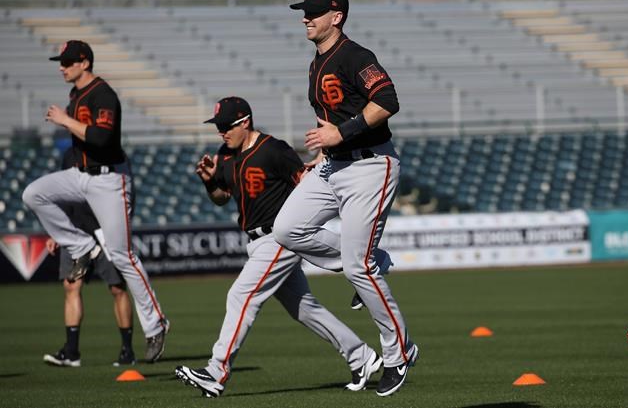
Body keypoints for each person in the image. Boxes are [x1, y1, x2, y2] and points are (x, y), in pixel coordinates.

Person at [174, 96, 382, 398]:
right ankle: (361, 356)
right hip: (255, 242)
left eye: (225, 126)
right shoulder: (225, 154)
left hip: (279, 238)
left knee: (241, 295)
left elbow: (305, 185)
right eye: (217, 127)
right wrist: (209, 183)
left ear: (245, 122)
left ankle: (216, 371)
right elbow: (221, 196)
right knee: (304, 309)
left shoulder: (273, 150)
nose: (221, 132)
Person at [273, 0, 418, 397]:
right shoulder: (316, 62)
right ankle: (371, 259)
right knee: (287, 228)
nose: (306, 17)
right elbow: (329, 125)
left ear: (336, 16)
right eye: (305, 10)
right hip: (333, 166)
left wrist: (344, 131)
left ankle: (398, 353)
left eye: (315, 11)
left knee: (359, 267)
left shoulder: (357, 56)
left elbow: (387, 100)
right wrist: (319, 160)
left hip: (371, 165)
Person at [22, 40, 169, 363]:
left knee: (122, 255)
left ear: (84, 62)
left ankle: (156, 323)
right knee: (34, 193)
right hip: (81, 175)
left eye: (67, 61)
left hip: (108, 180)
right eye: (61, 61)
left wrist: (65, 120)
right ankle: (79, 246)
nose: (62, 66)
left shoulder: (103, 94)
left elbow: (103, 138)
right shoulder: (76, 95)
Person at [43, 147, 135, 368]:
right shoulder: (69, 155)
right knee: (71, 286)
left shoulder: (115, 153)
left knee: (117, 288)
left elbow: (128, 192)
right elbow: (61, 195)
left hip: (106, 231)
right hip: (75, 232)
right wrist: (55, 231)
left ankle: (127, 350)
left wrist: (121, 227)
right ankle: (72, 352)